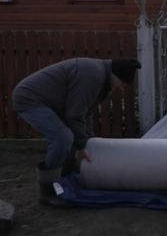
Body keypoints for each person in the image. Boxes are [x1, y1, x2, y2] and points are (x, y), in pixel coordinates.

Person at [12, 58, 141, 206]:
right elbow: (75, 114)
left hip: (55, 103)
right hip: (30, 99)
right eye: (123, 84)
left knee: (73, 137)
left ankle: (66, 178)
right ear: (115, 76)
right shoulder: (92, 75)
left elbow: (87, 113)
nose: (122, 88)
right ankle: (47, 192)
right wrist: (82, 145)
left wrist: (88, 142)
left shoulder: (101, 79)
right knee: (63, 138)